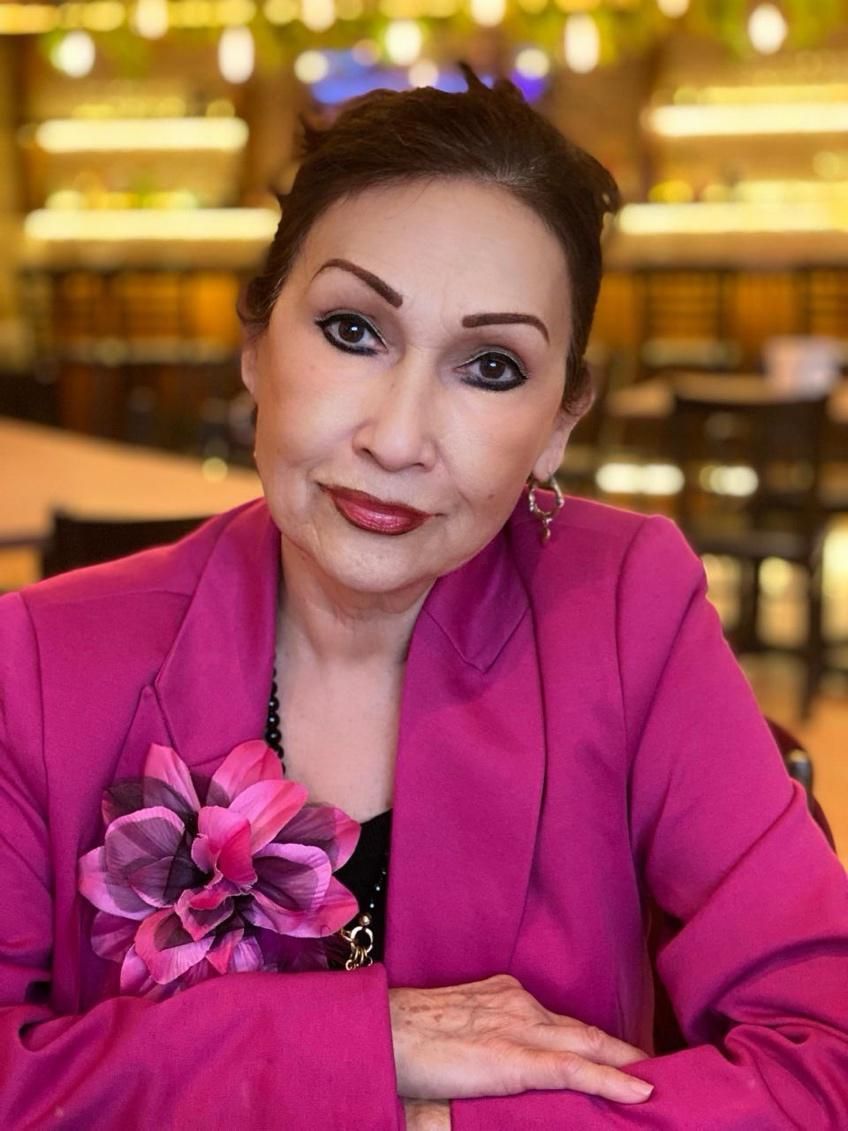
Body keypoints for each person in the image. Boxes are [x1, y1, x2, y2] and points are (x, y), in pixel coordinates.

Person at [1, 64, 846, 1131]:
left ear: (558, 424)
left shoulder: (627, 609)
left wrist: (437, 1122)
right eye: (353, 332)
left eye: (488, 366)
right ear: (255, 345)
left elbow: (826, 1049)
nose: (397, 439)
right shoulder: (36, 659)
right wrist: (371, 1046)